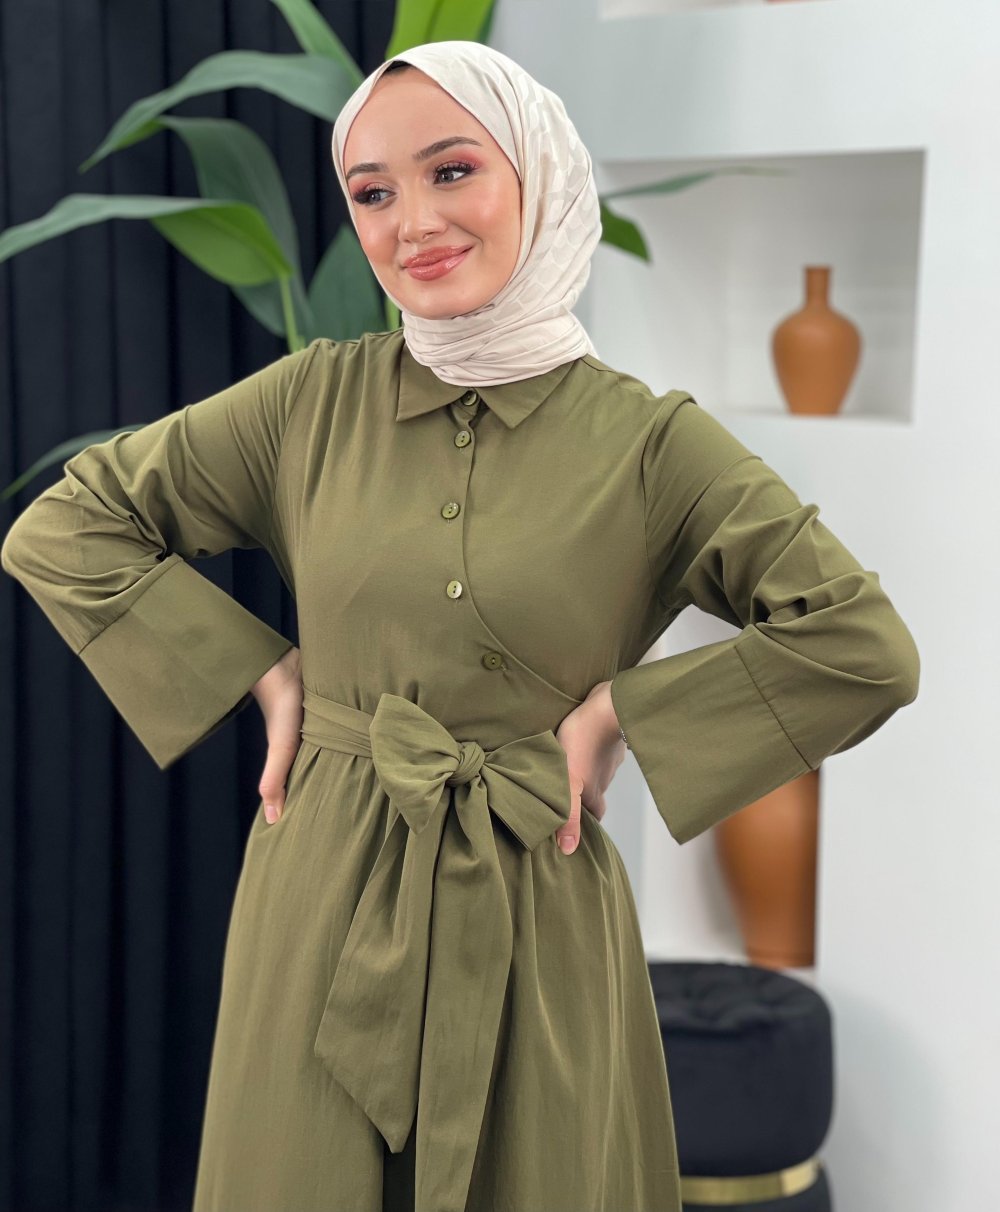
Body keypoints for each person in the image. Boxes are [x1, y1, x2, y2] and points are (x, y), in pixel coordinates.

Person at [0, 39, 920, 1212]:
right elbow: (68, 526)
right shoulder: (309, 401)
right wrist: (259, 673)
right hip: (320, 895)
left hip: (534, 898)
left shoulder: (650, 445)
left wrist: (623, 716)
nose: (413, 223)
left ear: (536, 174)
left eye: (451, 171)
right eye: (372, 193)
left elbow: (858, 643)